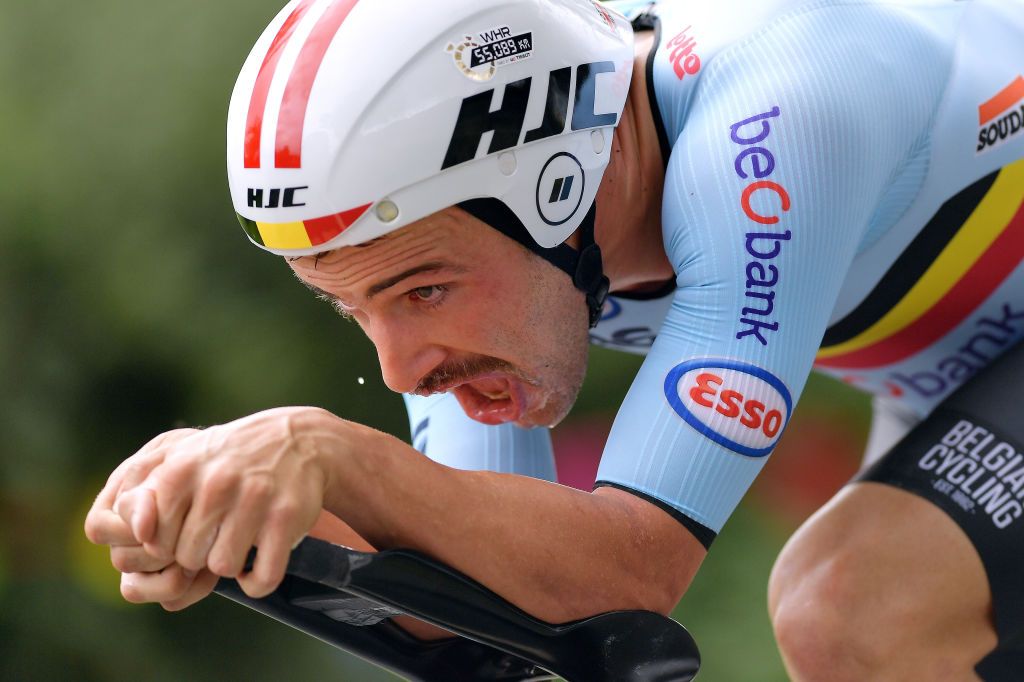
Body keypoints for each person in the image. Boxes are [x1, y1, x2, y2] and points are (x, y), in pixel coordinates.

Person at [84, 0, 1024, 678]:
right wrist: (238, 521)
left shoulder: (773, 129)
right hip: (962, 366)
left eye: (422, 290)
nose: (399, 366)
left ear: (563, 187)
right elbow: (486, 598)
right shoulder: (500, 222)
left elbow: (628, 570)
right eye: (357, 309)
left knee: (856, 605)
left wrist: (329, 455)